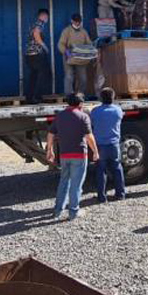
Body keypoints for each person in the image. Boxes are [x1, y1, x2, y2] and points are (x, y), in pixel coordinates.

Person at [47, 93, 99, 221]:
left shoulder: (60, 116)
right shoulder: (83, 116)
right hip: (79, 154)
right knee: (76, 185)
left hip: (64, 154)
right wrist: (95, 151)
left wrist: (50, 150)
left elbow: (50, 134)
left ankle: (58, 210)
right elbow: (89, 137)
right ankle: (73, 211)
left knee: (63, 182)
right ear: (80, 104)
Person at [91, 87, 126, 202]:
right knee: (117, 168)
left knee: (101, 170)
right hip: (114, 144)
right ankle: (120, 194)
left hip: (100, 145)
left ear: (101, 98)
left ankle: (102, 197)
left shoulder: (95, 111)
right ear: (113, 97)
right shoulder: (118, 110)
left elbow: (92, 122)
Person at [58, 14, 92, 95]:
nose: (77, 22)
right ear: (72, 21)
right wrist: (66, 52)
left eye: (79, 21)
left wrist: (90, 52)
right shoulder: (66, 31)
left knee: (83, 78)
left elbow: (89, 44)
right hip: (69, 56)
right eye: (75, 21)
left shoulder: (84, 32)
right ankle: (69, 95)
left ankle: (80, 94)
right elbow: (61, 44)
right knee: (69, 76)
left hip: (81, 57)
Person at [24, 9, 51, 104]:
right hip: (36, 55)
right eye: (47, 17)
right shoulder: (40, 23)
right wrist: (44, 46)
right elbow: (36, 33)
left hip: (29, 55)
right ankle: (36, 96)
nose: (47, 19)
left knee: (34, 76)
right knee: (42, 75)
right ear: (43, 16)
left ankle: (30, 97)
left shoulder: (33, 24)